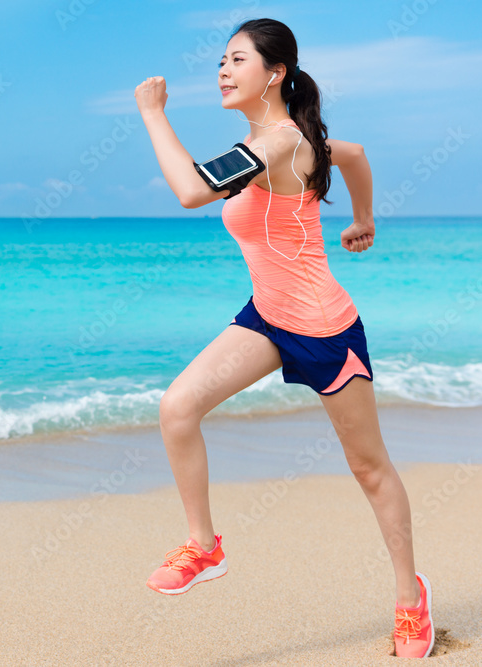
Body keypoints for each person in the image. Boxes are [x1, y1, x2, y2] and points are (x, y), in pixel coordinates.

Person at [132, 18, 434, 659]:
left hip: (324, 328)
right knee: (177, 407)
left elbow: (190, 190)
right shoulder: (286, 140)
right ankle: (204, 546)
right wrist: (362, 217)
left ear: (274, 74)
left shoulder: (279, 142)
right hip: (267, 317)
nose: (221, 69)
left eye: (236, 59)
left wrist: (153, 114)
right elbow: (352, 154)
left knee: (369, 468)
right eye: (220, 59)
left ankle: (411, 603)